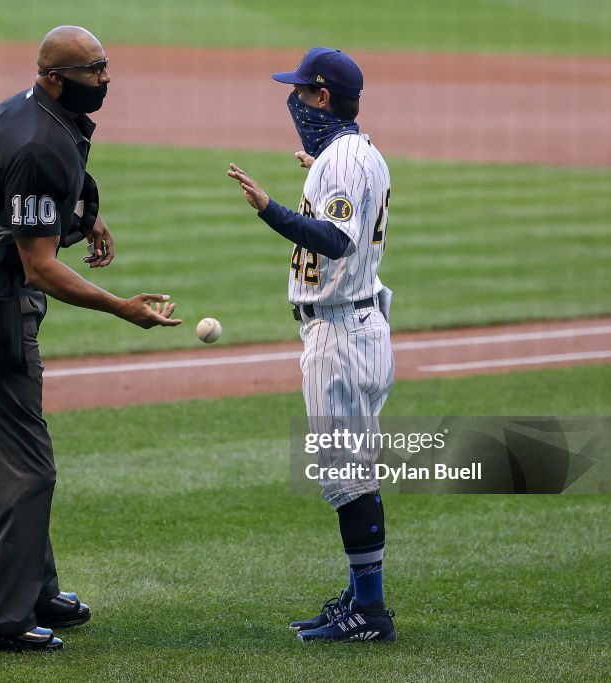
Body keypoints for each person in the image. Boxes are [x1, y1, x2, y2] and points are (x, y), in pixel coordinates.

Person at [0, 25, 181, 653]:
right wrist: (122, 307)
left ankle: (32, 591)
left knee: (17, 459)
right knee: (24, 470)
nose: (105, 80)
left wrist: (86, 214)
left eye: (105, 67)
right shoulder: (41, 141)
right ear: (53, 77)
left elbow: (19, 202)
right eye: (93, 71)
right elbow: (37, 263)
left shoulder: (29, 110)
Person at [227, 47, 396, 643]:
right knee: (355, 469)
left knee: (346, 476)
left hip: (341, 334)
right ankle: (361, 597)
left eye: (302, 91)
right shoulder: (356, 152)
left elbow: (335, 239)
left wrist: (268, 208)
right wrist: (317, 170)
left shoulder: (343, 159)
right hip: (358, 328)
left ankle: (369, 612)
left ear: (323, 97)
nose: (294, 101)